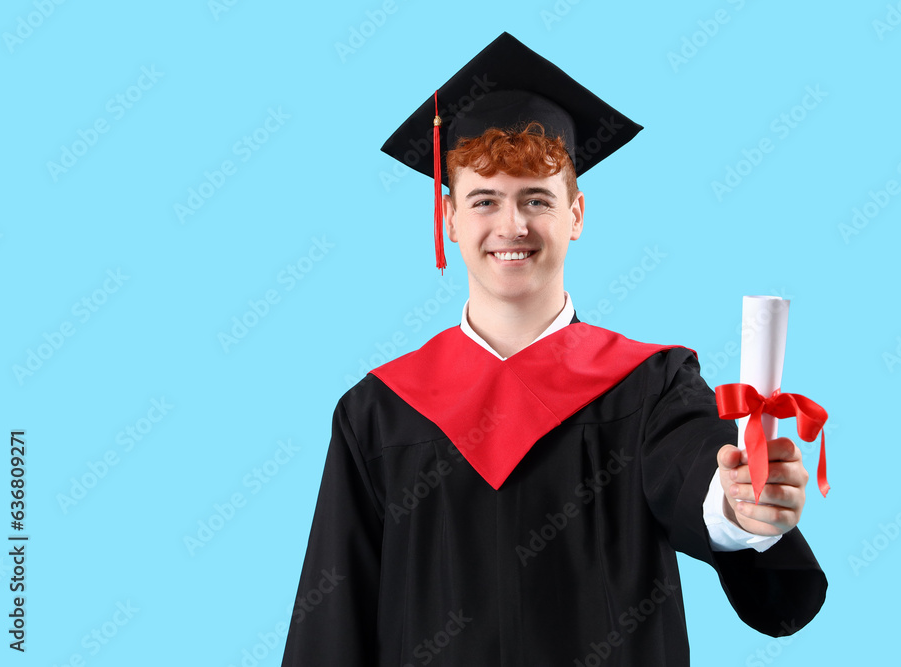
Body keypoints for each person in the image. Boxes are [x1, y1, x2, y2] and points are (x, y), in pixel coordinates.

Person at [280, 32, 826, 666]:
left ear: (576, 213)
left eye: (536, 199)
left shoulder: (649, 385)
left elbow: (692, 468)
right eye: (485, 201)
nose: (512, 226)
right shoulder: (378, 412)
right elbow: (336, 617)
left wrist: (736, 500)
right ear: (450, 217)